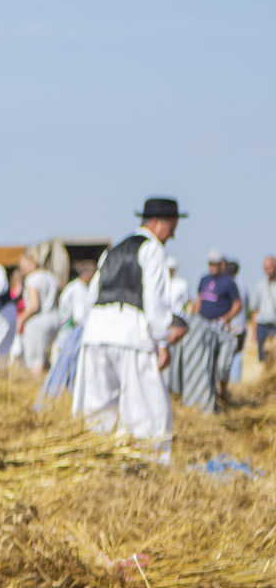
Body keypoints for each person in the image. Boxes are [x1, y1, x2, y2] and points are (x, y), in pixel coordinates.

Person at [72, 197, 187, 461]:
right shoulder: (153, 249)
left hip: (97, 334)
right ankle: (146, 467)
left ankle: (96, 462)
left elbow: (89, 298)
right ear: (160, 223)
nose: (174, 233)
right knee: (147, 410)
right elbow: (155, 302)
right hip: (131, 335)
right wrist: (162, 342)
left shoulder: (112, 251)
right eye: (173, 226)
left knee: (98, 410)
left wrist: (90, 327)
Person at [36, 259, 97, 407]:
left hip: (65, 335)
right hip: (70, 337)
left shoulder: (74, 287)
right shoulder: (80, 291)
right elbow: (79, 318)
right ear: (89, 275)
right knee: (66, 374)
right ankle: (60, 403)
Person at [195, 250, 244, 388]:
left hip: (220, 328)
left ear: (221, 264)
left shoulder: (228, 282)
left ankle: (223, 391)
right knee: (204, 361)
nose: (211, 267)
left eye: (215, 264)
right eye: (210, 263)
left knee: (222, 363)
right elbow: (198, 300)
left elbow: (237, 304)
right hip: (203, 326)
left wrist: (224, 318)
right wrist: (194, 318)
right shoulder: (204, 279)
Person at [16, 253, 61, 372]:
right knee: (48, 359)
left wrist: (21, 319)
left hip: (38, 323)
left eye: (23, 266)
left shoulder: (32, 279)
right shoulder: (52, 277)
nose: (22, 270)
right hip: (55, 319)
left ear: (31, 264)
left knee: (35, 362)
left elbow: (34, 306)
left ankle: (35, 388)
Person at [250, 255, 276, 368]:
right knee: (262, 357)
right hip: (262, 326)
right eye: (266, 268)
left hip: (274, 325)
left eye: (270, 267)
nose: (268, 270)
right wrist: (254, 330)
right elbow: (254, 309)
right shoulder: (260, 285)